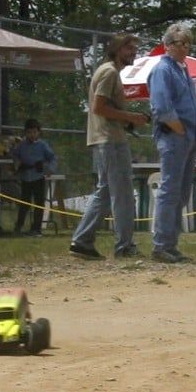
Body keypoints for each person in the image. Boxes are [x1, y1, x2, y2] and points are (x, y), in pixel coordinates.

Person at [69, 33, 149, 259]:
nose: (133, 52)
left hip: (108, 138)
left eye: (134, 48)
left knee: (105, 192)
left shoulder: (109, 72)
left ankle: (82, 241)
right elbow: (98, 107)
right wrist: (131, 117)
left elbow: (104, 109)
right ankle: (124, 246)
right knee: (122, 194)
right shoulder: (109, 72)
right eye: (128, 48)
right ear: (116, 49)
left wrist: (125, 120)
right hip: (110, 141)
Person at [147, 23, 196, 263]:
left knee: (181, 193)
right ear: (167, 45)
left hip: (189, 138)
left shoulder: (183, 69)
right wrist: (179, 130)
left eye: (188, 43)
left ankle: (171, 243)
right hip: (173, 137)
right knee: (169, 191)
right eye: (180, 43)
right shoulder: (163, 70)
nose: (185, 48)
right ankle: (161, 245)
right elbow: (161, 107)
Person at [11, 118, 58, 236]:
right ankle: (19, 226)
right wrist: (16, 162)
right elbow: (15, 154)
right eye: (29, 132)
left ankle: (36, 228)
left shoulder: (42, 145)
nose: (32, 135)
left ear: (39, 132)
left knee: (38, 203)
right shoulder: (21, 144)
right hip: (26, 176)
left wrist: (51, 169)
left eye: (34, 132)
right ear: (26, 133)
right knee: (24, 203)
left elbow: (52, 158)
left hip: (38, 176)